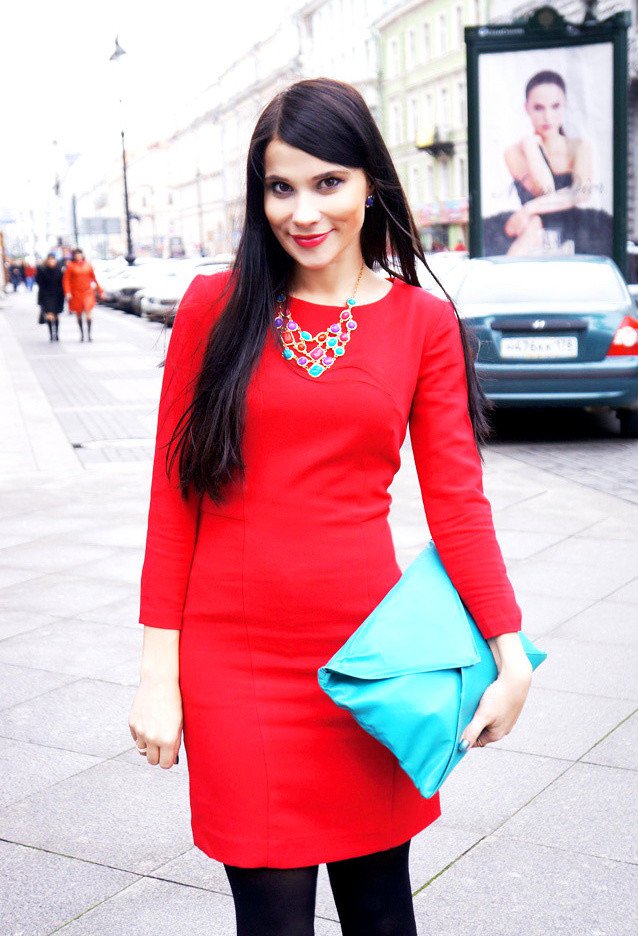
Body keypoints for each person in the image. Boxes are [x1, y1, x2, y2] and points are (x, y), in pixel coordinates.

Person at [130, 78, 533, 936]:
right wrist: (156, 677)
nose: (303, 211)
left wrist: (511, 653)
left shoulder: (424, 326)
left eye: (328, 183)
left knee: (383, 914)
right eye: (281, 186)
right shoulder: (214, 308)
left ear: (369, 184)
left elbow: (458, 505)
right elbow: (174, 505)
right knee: (271, 923)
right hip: (234, 669)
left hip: (368, 669)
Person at [483, 69, 612, 256]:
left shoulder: (579, 147)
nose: (548, 117)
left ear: (565, 105)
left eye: (555, 106)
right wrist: (531, 147)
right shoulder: (515, 151)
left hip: (576, 228)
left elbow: (579, 193)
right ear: (526, 107)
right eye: (538, 108)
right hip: (533, 227)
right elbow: (545, 189)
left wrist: (528, 208)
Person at [62, 247, 102, 341]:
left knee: (88, 312)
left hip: (87, 292)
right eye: (76, 255)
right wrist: (67, 292)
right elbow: (66, 280)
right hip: (76, 293)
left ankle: (89, 334)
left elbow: (94, 278)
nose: (78, 256)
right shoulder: (70, 266)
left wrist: (99, 290)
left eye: (80, 254)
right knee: (79, 313)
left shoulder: (88, 265)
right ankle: (82, 334)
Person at [35, 253, 65, 341]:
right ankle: (51, 334)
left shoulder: (59, 270)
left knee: (56, 315)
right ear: (47, 260)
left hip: (58, 295)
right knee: (49, 315)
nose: (52, 261)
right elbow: (39, 282)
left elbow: (62, 283)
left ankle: (57, 333)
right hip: (46, 295)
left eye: (53, 259)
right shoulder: (42, 270)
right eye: (50, 259)